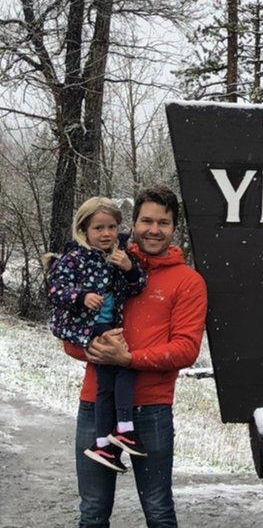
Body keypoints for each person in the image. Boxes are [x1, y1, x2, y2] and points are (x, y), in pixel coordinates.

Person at [63, 186, 208, 527]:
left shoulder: (188, 282)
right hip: (96, 405)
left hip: (151, 408)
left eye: (164, 222)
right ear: (134, 222)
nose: (154, 230)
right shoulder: (99, 265)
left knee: (158, 510)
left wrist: (128, 359)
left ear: (175, 229)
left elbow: (186, 349)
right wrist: (94, 349)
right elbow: (69, 337)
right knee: (93, 511)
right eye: (146, 220)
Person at [47, 197, 148, 472]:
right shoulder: (74, 258)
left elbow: (138, 287)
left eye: (112, 227)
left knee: (106, 386)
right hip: (86, 327)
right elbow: (55, 290)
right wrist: (82, 296)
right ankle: (125, 428)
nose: (106, 234)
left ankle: (104, 445)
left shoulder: (120, 255)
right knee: (126, 366)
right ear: (84, 230)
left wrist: (129, 269)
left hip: (109, 325)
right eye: (99, 228)